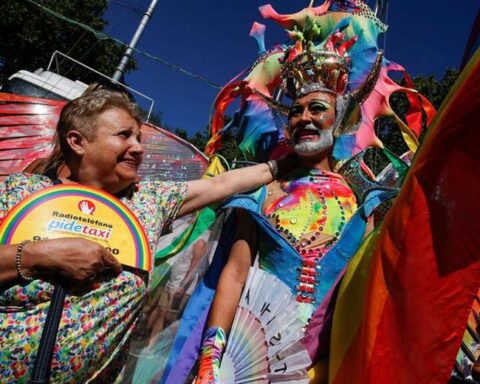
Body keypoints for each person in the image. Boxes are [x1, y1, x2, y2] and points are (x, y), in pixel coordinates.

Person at [0, 85, 292, 383]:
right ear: (77, 141)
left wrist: (288, 162)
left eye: (139, 138)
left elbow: (222, 184)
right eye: (124, 135)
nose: (139, 148)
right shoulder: (20, 192)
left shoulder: (148, 201)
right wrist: (36, 256)